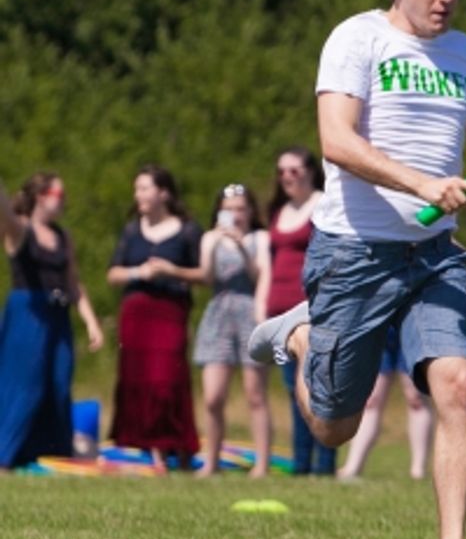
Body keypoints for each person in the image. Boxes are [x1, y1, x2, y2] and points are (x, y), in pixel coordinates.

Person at [247, 0, 466, 539]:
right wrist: (422, 181)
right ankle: (301, 338)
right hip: (354, 253)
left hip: (434, 254)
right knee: (333, 429)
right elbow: (336, 142)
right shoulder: (357, 39)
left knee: (458, 382)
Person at [0, 173, 104, 468]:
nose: (63, 201)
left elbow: (73, 283)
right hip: (27, 315)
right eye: (58, 195)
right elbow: (5, 212)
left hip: (59, 315)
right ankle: (5, 456)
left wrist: (91, 322)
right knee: (25, 385)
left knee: (59, 382)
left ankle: (54, 451)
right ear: (40, 197)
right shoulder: (20, 231)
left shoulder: (62, 236)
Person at [107, 165, 204, 471]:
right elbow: (113, 273)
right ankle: (153, 451)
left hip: (170, 312)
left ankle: (178, 446)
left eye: (145, 188)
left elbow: (205, 273)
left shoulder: (187, 230)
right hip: (136, 313)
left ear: (163, 193)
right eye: (137, 189)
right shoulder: (132, 230)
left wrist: (171, 271)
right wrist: (140, 272)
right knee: (138, 379)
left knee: (167, 378)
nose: (139, 195)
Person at [256, 146, 336, 476]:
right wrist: (262, 308)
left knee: (320, 385)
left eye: (294, 169)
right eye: (282, 171)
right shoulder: (280, 212)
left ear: (309, 171)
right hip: (280, 309)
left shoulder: (323, 204)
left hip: (312, 308)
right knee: (293, 390)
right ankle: (301, 464)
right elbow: (267, 265)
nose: (287, 177)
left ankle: (325, 465)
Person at [192, 184, 271, 478]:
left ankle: (261, 464)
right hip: (219, 314)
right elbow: (206, 276)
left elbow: (259, 274)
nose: (235, 215)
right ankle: (211, 461)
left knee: (255, 393)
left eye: (241, 208)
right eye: (229, 209)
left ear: (250, 211)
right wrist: (215, 244)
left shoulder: (259, 239)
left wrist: (239, 244)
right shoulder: (210, 238)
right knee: (213, 396)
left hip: (250, 311)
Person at [337, 324, 435, 481]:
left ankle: (419, 469)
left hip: (414, 321)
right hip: (379, 322)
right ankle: (353, 466)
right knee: (371, 399)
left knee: (416, 398)